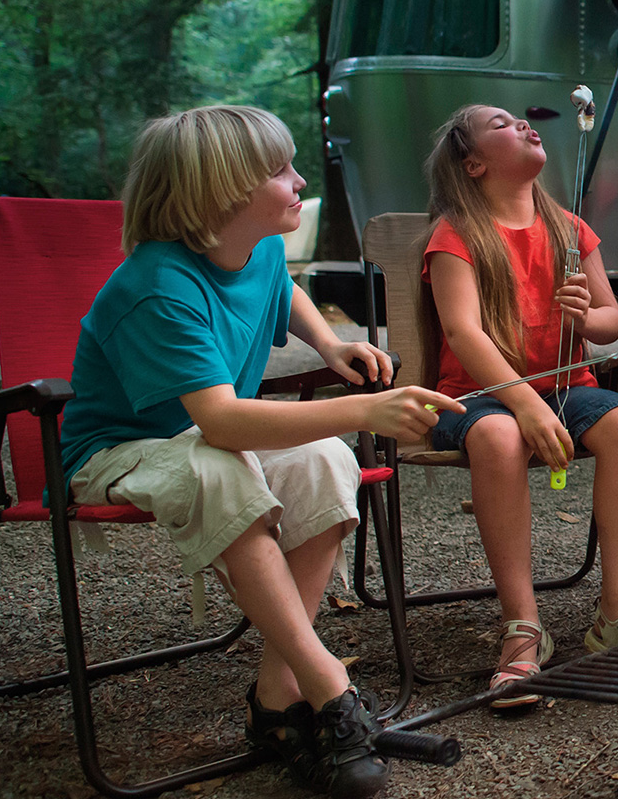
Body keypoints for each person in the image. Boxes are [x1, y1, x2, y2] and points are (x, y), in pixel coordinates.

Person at [61, 105, 463, 799]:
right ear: (221, 192)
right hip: (120, 451)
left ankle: (277, 698)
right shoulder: (159, 286)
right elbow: (218, 422)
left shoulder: (259, 245)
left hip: (206, 442)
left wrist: (332, 342)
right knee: (219, 466)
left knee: (325, 457)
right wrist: (367, 407)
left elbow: (286, 290)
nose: (298, 179)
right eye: (279, 171)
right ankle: (327, 682)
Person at [420, 104, 618, 710]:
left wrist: (586, 315)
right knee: (498, 437)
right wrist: (523, 404)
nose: (523, 125)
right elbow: (464, 334)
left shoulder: (570, 229)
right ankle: (523, 627)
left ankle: (617, 612)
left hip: (562, 386)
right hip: (477, 395)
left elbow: (610, 323)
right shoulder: (457, 233)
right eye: (500, 125)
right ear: (473, 164)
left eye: (522, 120)